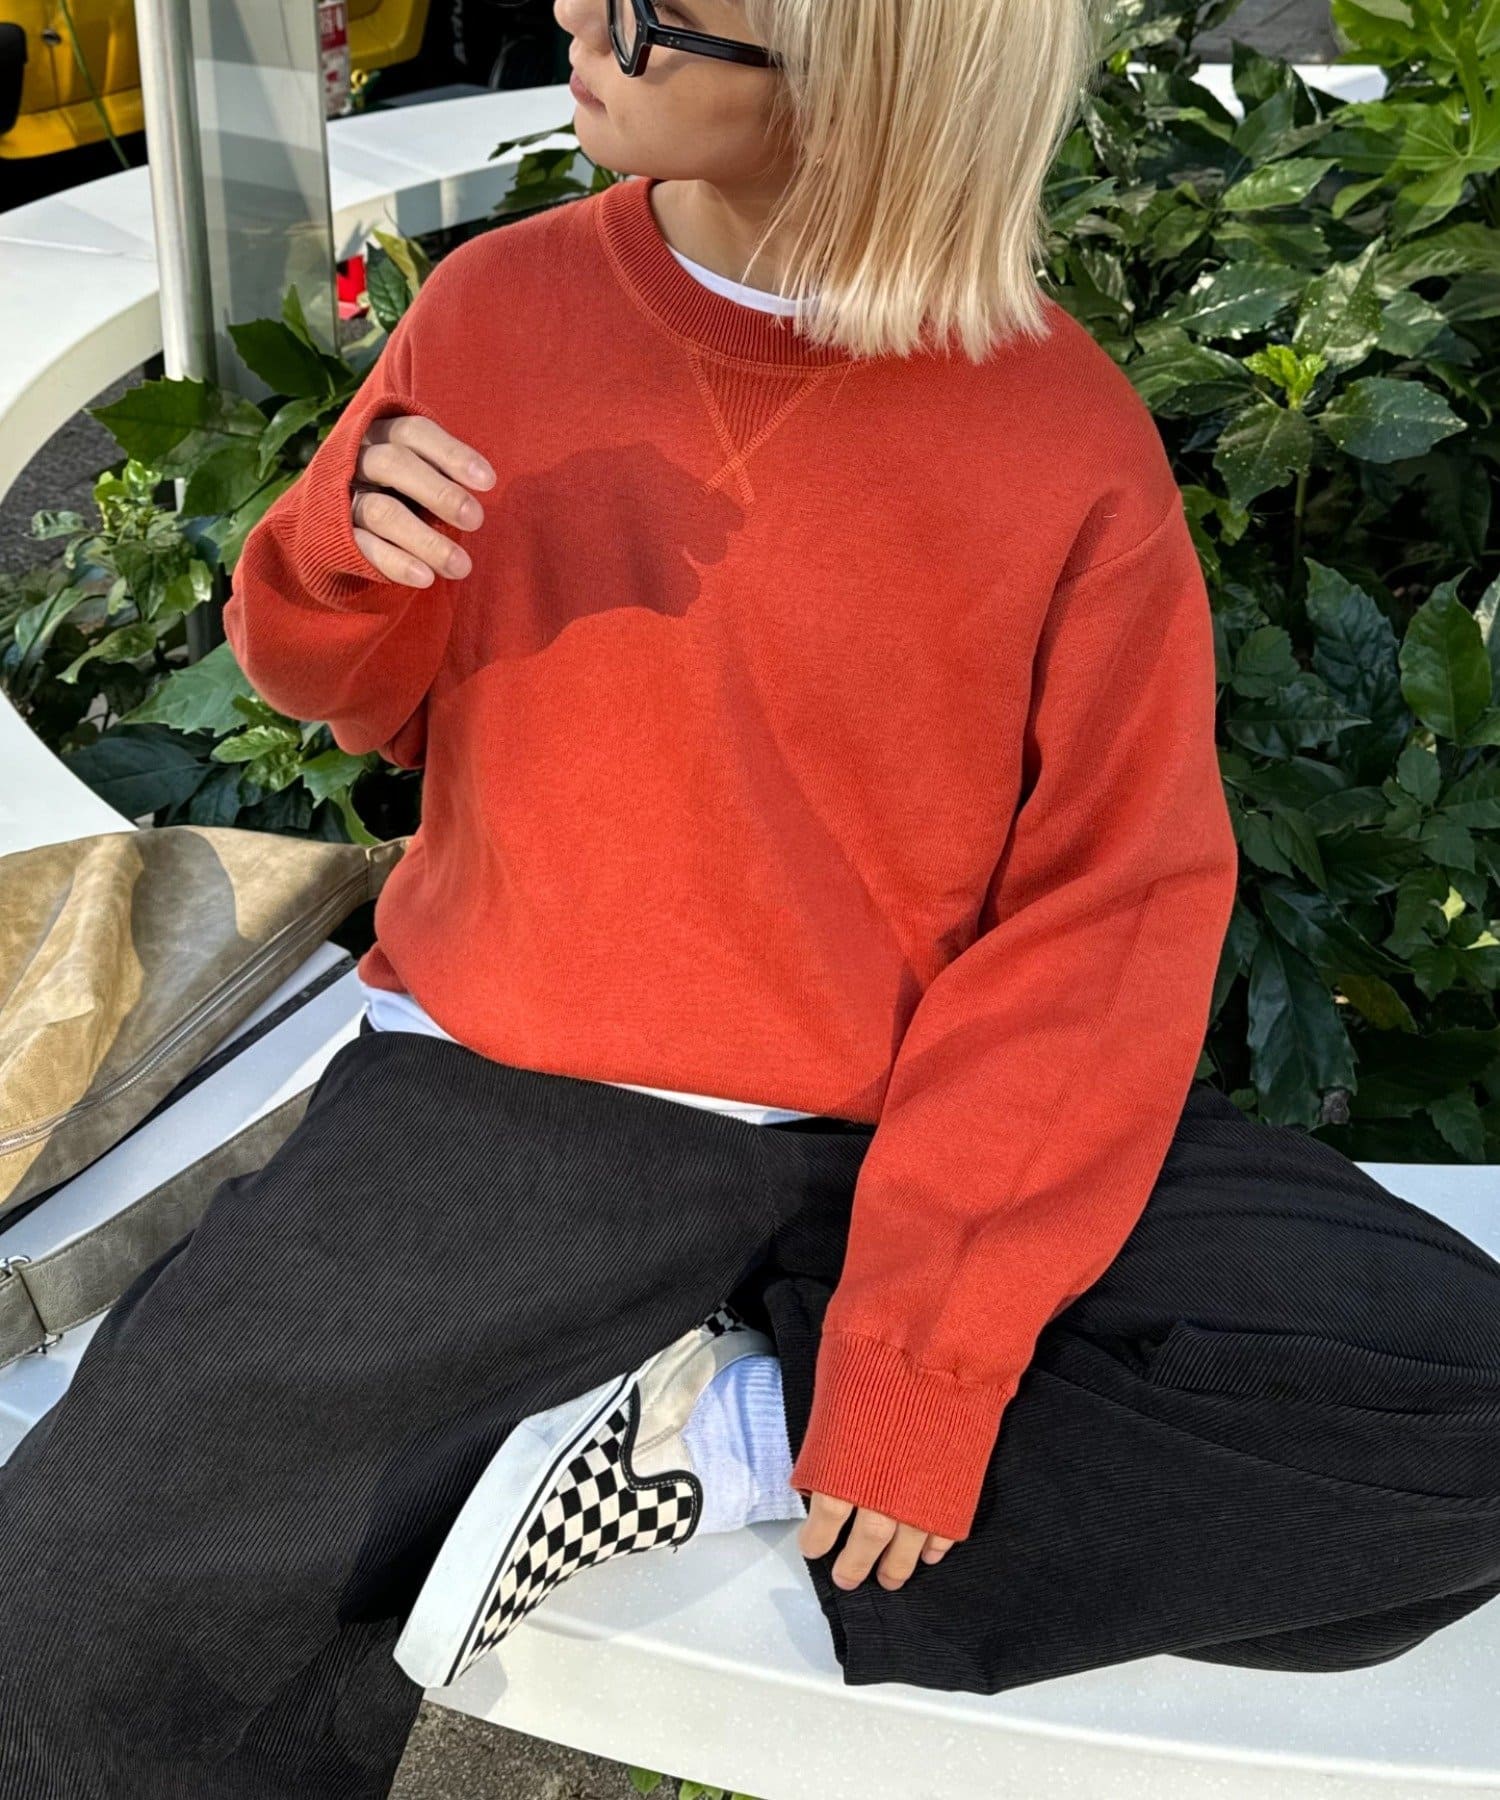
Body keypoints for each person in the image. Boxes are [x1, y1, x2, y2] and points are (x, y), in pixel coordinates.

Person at [4, 0, 1500, 1791]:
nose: (576, 15)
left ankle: (724, 1430)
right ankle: (677, 1421)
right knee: (67, 1616)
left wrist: (919, 1361)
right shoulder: (502, 311)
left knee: (1460, 1423)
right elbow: (356, 691)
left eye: (647, 8)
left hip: (922, 1117)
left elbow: (1109, 914)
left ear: (867, 65)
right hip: (521, 1094)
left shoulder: (1061, 439)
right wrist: (332, 559)